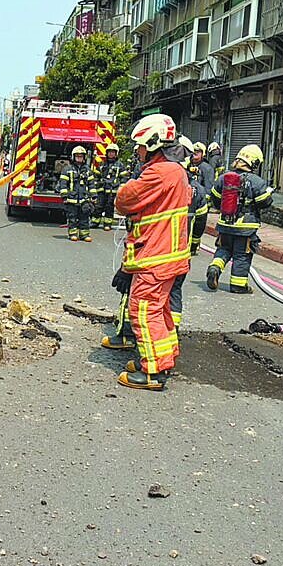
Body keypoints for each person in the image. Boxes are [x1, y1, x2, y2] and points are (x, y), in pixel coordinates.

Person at [113, 114, 192, 391]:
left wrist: (123, 189)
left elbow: (124, 200)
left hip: (155, 258)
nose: (137, 151)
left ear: (152, 141)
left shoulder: (158, 173)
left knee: (144, 311)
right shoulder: (176, 172)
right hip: (169, 256)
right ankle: (163, 358)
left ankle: (153, 372)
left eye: (140, 146)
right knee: (160, 311)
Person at [205, 144, 274, 294]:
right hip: (245, 228)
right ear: (254, 163)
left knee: (223, 249)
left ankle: (214, 268)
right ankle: (239, 285)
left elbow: (215, 200)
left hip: (225, 224)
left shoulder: (224, 178)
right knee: (242, 255)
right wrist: (268, 193)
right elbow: (265, 203)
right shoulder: (257, 181)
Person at [169, 136, 209, 328]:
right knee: (175, 290)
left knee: (144, 293)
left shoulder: (159, 180)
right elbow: (200, 221)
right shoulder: (197, 189)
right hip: (182, 253)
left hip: (155, 251)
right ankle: (173, 328)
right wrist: (193, 245)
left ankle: (129, 333)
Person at [59, 146, 95, 242]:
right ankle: (73, 234)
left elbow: (91, 184)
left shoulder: (87, 170)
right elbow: (63, 184)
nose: (79, 158)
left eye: (81, 156)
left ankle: (84, 235)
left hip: (84, 199)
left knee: (84, 217)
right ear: (73, 157)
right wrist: (65, 196)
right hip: (71, 199)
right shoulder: (67, 169)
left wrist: (93, 196)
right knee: (72, 217)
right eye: (77, 156)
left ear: (84, 158)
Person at [91, 143, 129, 230]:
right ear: (107, 153)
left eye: (113, 152)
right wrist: (97, 186)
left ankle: (107, 224)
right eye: (110, 152)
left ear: (116, 154)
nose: (111, 154)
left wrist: (120, 189)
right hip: (102, 190)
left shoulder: (120, 166)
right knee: (98, 206)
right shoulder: (102, 164)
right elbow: (96, 176)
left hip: (113, 191)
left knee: (109, 207)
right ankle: (94, 222)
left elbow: (124, 178)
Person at [189, 142, 215, 255]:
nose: (194, 155)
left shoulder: (206, 168)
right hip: (189, 201)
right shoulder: (188, 165)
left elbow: (208, 188)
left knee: (198, 226)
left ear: (203, 154)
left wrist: (205, 202)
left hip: (200, 203)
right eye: (193, 152)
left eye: (197, 152)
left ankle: (195, 245)